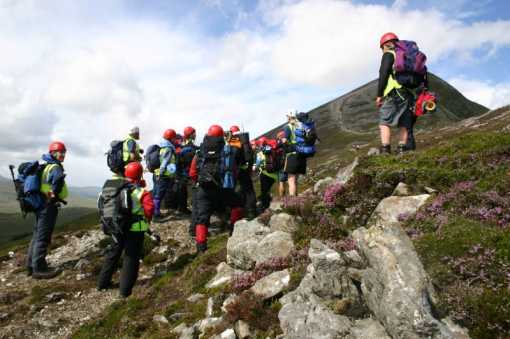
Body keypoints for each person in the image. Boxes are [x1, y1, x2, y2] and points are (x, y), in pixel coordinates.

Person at [97, 162, 154, 298]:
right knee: (131, 258)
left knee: (113, 253)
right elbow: (150, 209)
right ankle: (125, 291)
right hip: (135, 229)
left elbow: (101, 205)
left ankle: (102, 283)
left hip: (116, 227)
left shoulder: (113, 189)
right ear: (140, 175)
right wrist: (148, 219)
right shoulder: (141, 191)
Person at [189, 125, 244, 253]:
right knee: (238, 204)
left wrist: (199, 181)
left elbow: (192, 173)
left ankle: (201, 248)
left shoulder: (200, 151)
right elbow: (236, 161)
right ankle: (233, 231)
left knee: (202, 219)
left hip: (204, 188)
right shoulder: (226, 148)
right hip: (222, 188)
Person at [26, 141, 68, 279]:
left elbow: (46, 186)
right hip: (47, 206)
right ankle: (39, 269)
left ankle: (30, 266)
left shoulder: (46, 166)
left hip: (40, 205)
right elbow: (54, 186)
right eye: (60, 152)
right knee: (43, 238)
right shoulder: (55, 168)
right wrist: (51, 199)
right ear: (53, 153)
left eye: (64, 152)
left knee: (37, 235)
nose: (62, 155)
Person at [376, 32, 416, 154]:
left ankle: (385, 150)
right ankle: (402, 150)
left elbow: (383, 74)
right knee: (404, 123)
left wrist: (379, 95)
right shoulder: (407, 57)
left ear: (386, 44)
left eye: (382, 48)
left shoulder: (389, 54)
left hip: (394, 92)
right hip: (408, 93)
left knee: (384, 121)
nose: (382, 50)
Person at [227, 125, 257, 219]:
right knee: (249, 190)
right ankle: (252, 210)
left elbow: (234, 156)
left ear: (231, 132)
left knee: (236, 190)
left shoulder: (234, 140)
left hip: (237, 170)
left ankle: (238, 212)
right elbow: (250, 156)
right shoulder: (245, 140)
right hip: (245, 168)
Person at [153, 129, 178, 220]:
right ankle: (156, 214)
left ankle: (154, 211)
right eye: (174, 138)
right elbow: (164, 162)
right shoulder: (168, 148)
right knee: (159, 194)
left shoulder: (161, 146)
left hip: (156, 173)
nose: (175, 140)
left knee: (156, 193)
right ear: (171, 138)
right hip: (163, 175)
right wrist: (161, 173)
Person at [255, 137, 284, 211]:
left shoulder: (260, 153)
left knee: (264, 191)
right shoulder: (273, 149)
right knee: (271, 189)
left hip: (266, 173)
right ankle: (283, 200)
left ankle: (265, 206)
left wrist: (255, 167)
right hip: (275, 174)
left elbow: (257, 164)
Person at [283, 113, 307, 196]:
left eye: (287, 116)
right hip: (302, 153)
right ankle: (296, 201)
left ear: (289, 117)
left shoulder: (288, 127)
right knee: (295, 180)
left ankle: (293, 203)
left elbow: (285, 140)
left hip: (293, 155)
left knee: (291, 180)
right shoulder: (301, 125)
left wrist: (283, 142)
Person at [276, 130, 288, 198]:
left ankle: (282, 198)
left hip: (279, 165)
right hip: (286, 163)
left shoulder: (276, 145)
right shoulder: (284, 142)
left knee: (281, 182)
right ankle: (291, 199)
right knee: (290, 181)